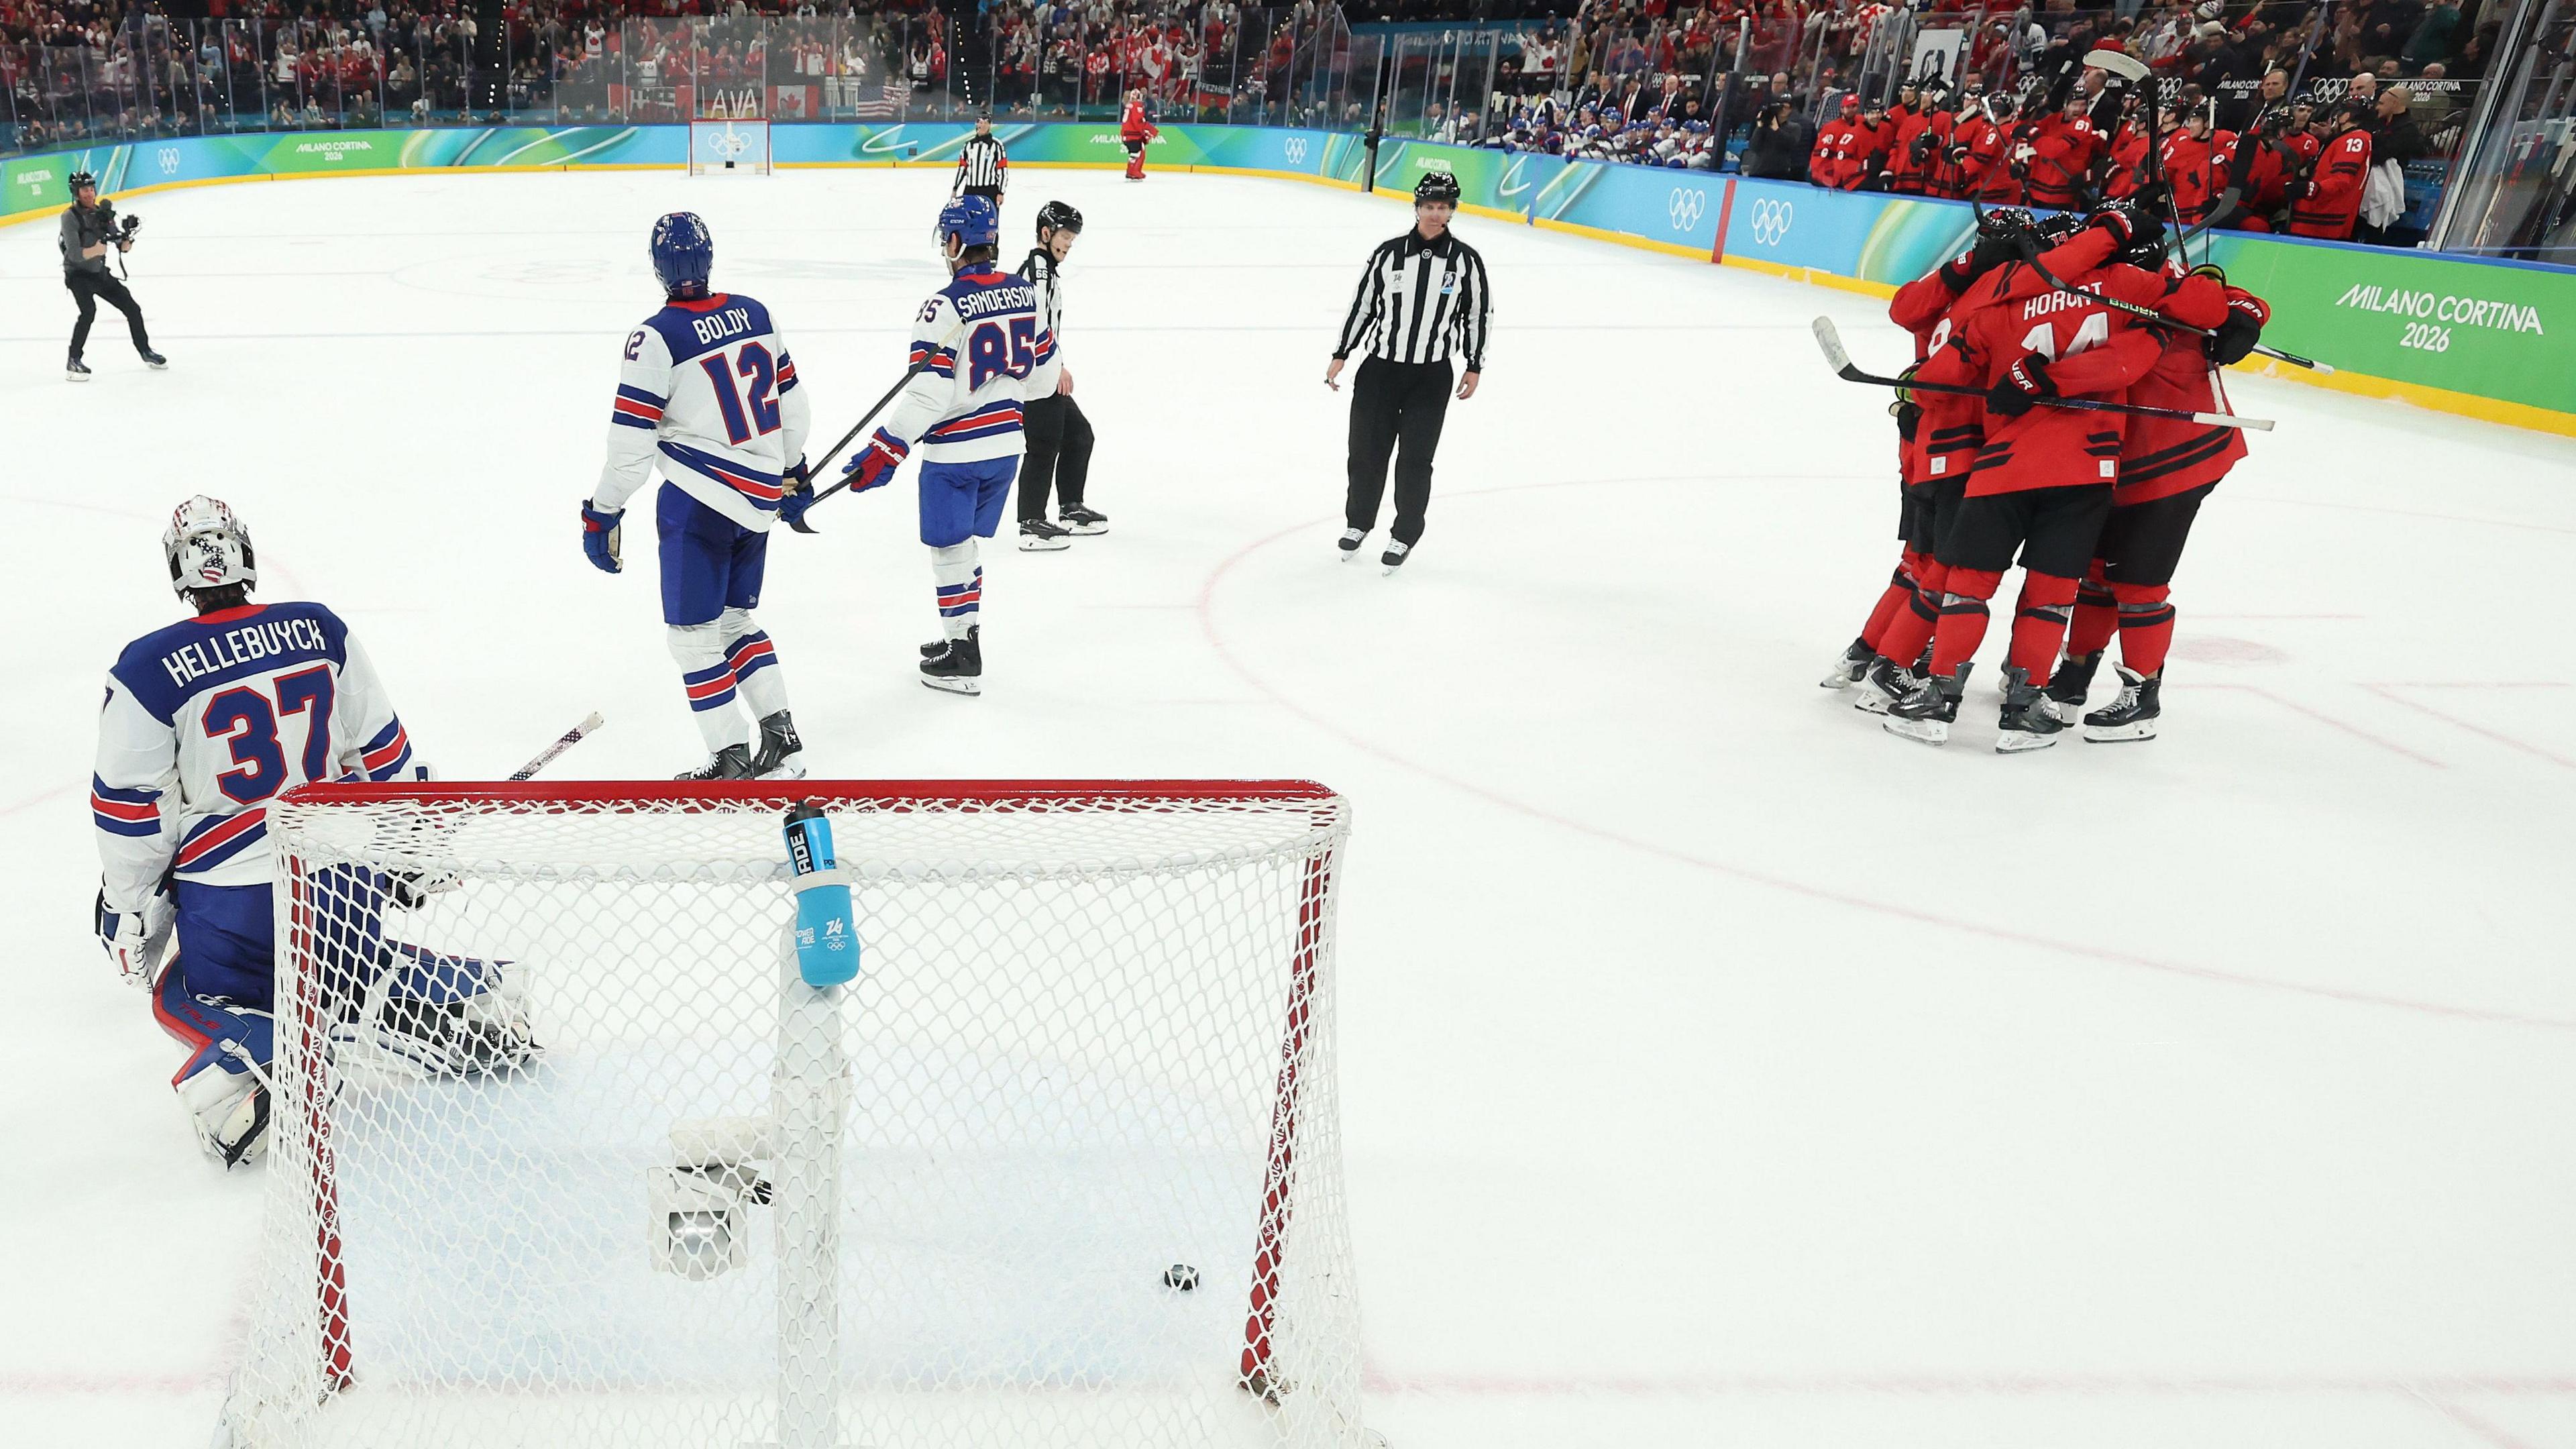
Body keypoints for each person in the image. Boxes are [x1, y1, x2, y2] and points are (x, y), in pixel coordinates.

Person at [93, 496, 531, 1167]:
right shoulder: (317, 629)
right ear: (245, 555)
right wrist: (411, 849)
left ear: (180, 573)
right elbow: (384, 753)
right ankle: (453, 1001)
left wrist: (129, 915)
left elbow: (131, 815)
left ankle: (252, 1066)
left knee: (180, 991)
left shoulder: (147, 667)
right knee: (344, 963)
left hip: (236, 907)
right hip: (341, 880)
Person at [1884, 205, 2169, 751]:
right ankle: (2023, 708)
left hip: (2002, 467)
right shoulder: (2125, 288)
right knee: (2051, 593)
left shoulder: (2003, 302)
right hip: (2087, 469)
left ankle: (1938, 699)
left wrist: (1913, 391)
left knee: (1967, 583)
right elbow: (2187, 318)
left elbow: (1936, 380)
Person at [583, 213, 814, 780]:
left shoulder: (656, 337)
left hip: (697, 506)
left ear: (658, 267)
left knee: (692, 641)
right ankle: (781, 738)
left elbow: (631, 448)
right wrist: (793, 472)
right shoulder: (756, 313)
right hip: (758, 502)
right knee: (735, 625)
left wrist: (602, 511)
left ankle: (731, 756)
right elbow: (795, 408)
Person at [822, 194, 1037, 696]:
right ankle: (965, 637)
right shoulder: (1027, 293)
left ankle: (963, 653)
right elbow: (1045, 373)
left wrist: (886, 449)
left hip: (956, 455)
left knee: (948, 550)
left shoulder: (943, 305)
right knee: (965, 545)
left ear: (957, 241)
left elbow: (928, 390)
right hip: (1008, 448)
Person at [1325, 171, 1493, 574]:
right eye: (1430, 206)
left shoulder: (1467, 261)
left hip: (1431, 376)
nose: (1436, 214)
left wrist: (1474, 363)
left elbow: (1477, 315)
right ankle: (1358, 523)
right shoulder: (1388, 254)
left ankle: (1405, 533)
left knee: (1416, 459)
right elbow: (1362, 305)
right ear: (1417, 208)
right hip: (1380, 371)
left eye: (1444, 207)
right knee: (1366, 453)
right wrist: (1342, 352)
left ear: (1452, 211)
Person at [1014, 201, 1105, 551]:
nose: (1068, 243)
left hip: (1046, 369)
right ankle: (1031, 523)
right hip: (1037, 374)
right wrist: (1057, 366)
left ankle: (1069, 507)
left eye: (1072, 238)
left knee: (1079, 436)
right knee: (1043, 447)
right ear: (1046, 233)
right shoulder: (1038, 268)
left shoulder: (1046, 268)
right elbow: (1034, 323)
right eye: (1065, 236)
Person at [60, 170, 164, 381]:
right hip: (78, 275)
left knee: (132, 308)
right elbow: (73, 253)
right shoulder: (69, 217)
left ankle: (145, 351)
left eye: (91, 189)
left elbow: (121, 245)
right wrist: (95, 251)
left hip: (99, 273)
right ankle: (73, 360)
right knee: (88, 312)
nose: (89, 194)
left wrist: (126, 240)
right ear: (76, 193)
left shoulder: (102, 214)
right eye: (84, 190)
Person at [2286, 97, 2373, 238]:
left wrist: (2308, 189)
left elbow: (2342, 181)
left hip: (2323, 223)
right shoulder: (2349, 138)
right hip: (2321, 221)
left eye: (2338, 113)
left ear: (2346, 116)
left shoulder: (2354, 140)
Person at [954, 113, 1008, 211]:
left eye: (986, 123)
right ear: (976, 124)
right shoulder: (968, 145)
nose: (983, 125)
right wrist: (955, 188)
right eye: (980, 122)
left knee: (989, 223)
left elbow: (1003, 171)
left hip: (990, 190)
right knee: (969, 220)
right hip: (971, 190)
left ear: (990, 125)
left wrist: (1001, 193)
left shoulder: (997, 145)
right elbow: (962, 168)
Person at [1120, 89, 1158, 181]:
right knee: (1140, 153)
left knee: (1134, 154)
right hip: (1134, 135)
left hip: (1127, 134)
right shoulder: (1137, 105)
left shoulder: (1128, 106)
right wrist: (1148, 131)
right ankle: (1134, 172)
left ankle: (1130, 171)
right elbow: (1138, 122)